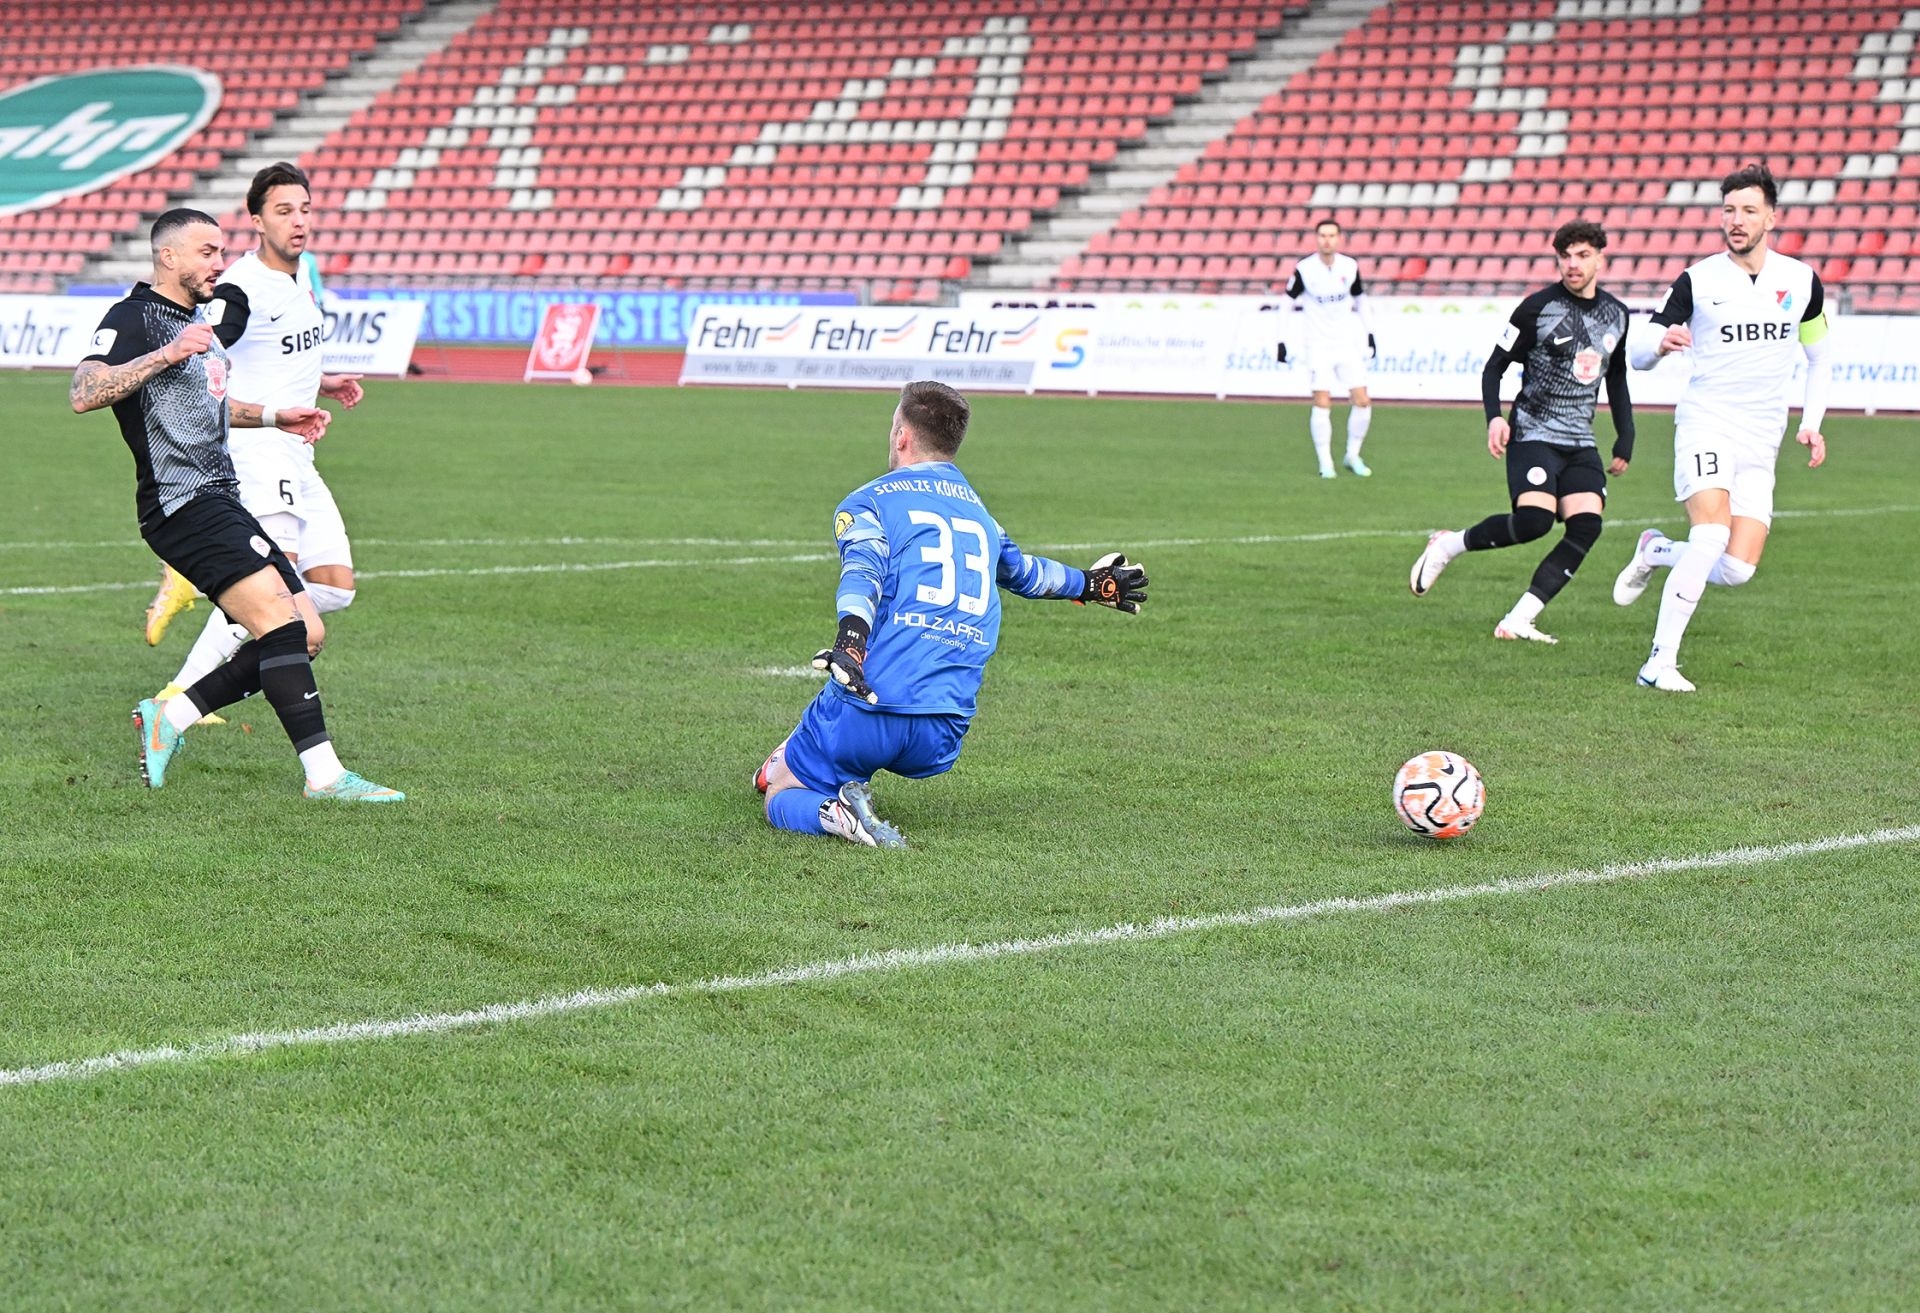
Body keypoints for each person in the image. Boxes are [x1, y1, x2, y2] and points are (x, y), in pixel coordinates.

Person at [70, 207, 402, 802]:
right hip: (181, 503)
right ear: (168, 256)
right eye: (207, 252)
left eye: (221, 252)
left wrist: (276, 415)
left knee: (306, 633)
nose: (219, 263)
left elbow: (208, 406)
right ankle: (325, 777)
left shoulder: (195, 319)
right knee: (279, 625)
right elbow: (84, 390)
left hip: (222, 496)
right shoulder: (134, 317)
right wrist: (167, 354)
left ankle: (170, 716)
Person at [754, 380, 1149, 848]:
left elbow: (863, 572)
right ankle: (794, 759)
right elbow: (1026, 575)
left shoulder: (869, 501)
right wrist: (1090, 584)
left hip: (871, 709)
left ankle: (834, 812)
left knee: (778, 793)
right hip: (943, 731)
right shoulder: (983, 518)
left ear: (901, 435)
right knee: (802, 746)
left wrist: (850, 643)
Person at [148, 163, 367, 725]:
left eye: (305, 209)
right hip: (259, 449)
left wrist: (324, 380)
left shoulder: (299, 274)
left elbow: (280, 351)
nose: (298, 221)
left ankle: (197, 588)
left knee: (334, 586)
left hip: (297, 450)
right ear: (257, 221)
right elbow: (205, 350)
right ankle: (179, 696)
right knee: (272, 594)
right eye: (283, 211)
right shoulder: (242, 286)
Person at [1613, 162, 1832, 692]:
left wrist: (1812, 423)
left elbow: (1820, 358)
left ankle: (1656, 551)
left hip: (1763, 438)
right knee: (1710, 534)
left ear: (1771, 218)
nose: (1737, 220)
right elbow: (1638, 351)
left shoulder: (1801, 281)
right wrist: (1658, 346)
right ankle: (1659, 663)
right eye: (1729, 210)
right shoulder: (1697, 280)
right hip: (1707, 422)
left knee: (1736, 568)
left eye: (1749, 210)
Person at [1408, 220, 1634, 643]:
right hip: (1533, 432)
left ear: (1600, 259)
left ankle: (1519, 619)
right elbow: (1494, 367)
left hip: (1580, 440)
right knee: (1535, 521)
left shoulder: (1617, 315)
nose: (1573, 264)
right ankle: (1448, 545)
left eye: (1583, 255)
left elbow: (1617, 377)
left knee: (1587, 525)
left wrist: (1626, 436)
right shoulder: (1536, 309)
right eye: (1565, 256)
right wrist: (1494, 417)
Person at [1276, 218, 1377, 479]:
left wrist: (1370, 333)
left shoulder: (1349, 266)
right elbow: (1286, 303)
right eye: (1322, 235)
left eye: (1332, 235)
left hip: (1346, 344)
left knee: (1363, 400)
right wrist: (1281, 340)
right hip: (1318, 346)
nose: (1327, 240)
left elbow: (1360, 300)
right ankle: (1326, 463)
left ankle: (1352, 455)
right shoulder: (1305, 269)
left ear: (1339, 238)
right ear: (1316, 238)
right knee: (1322, 402)